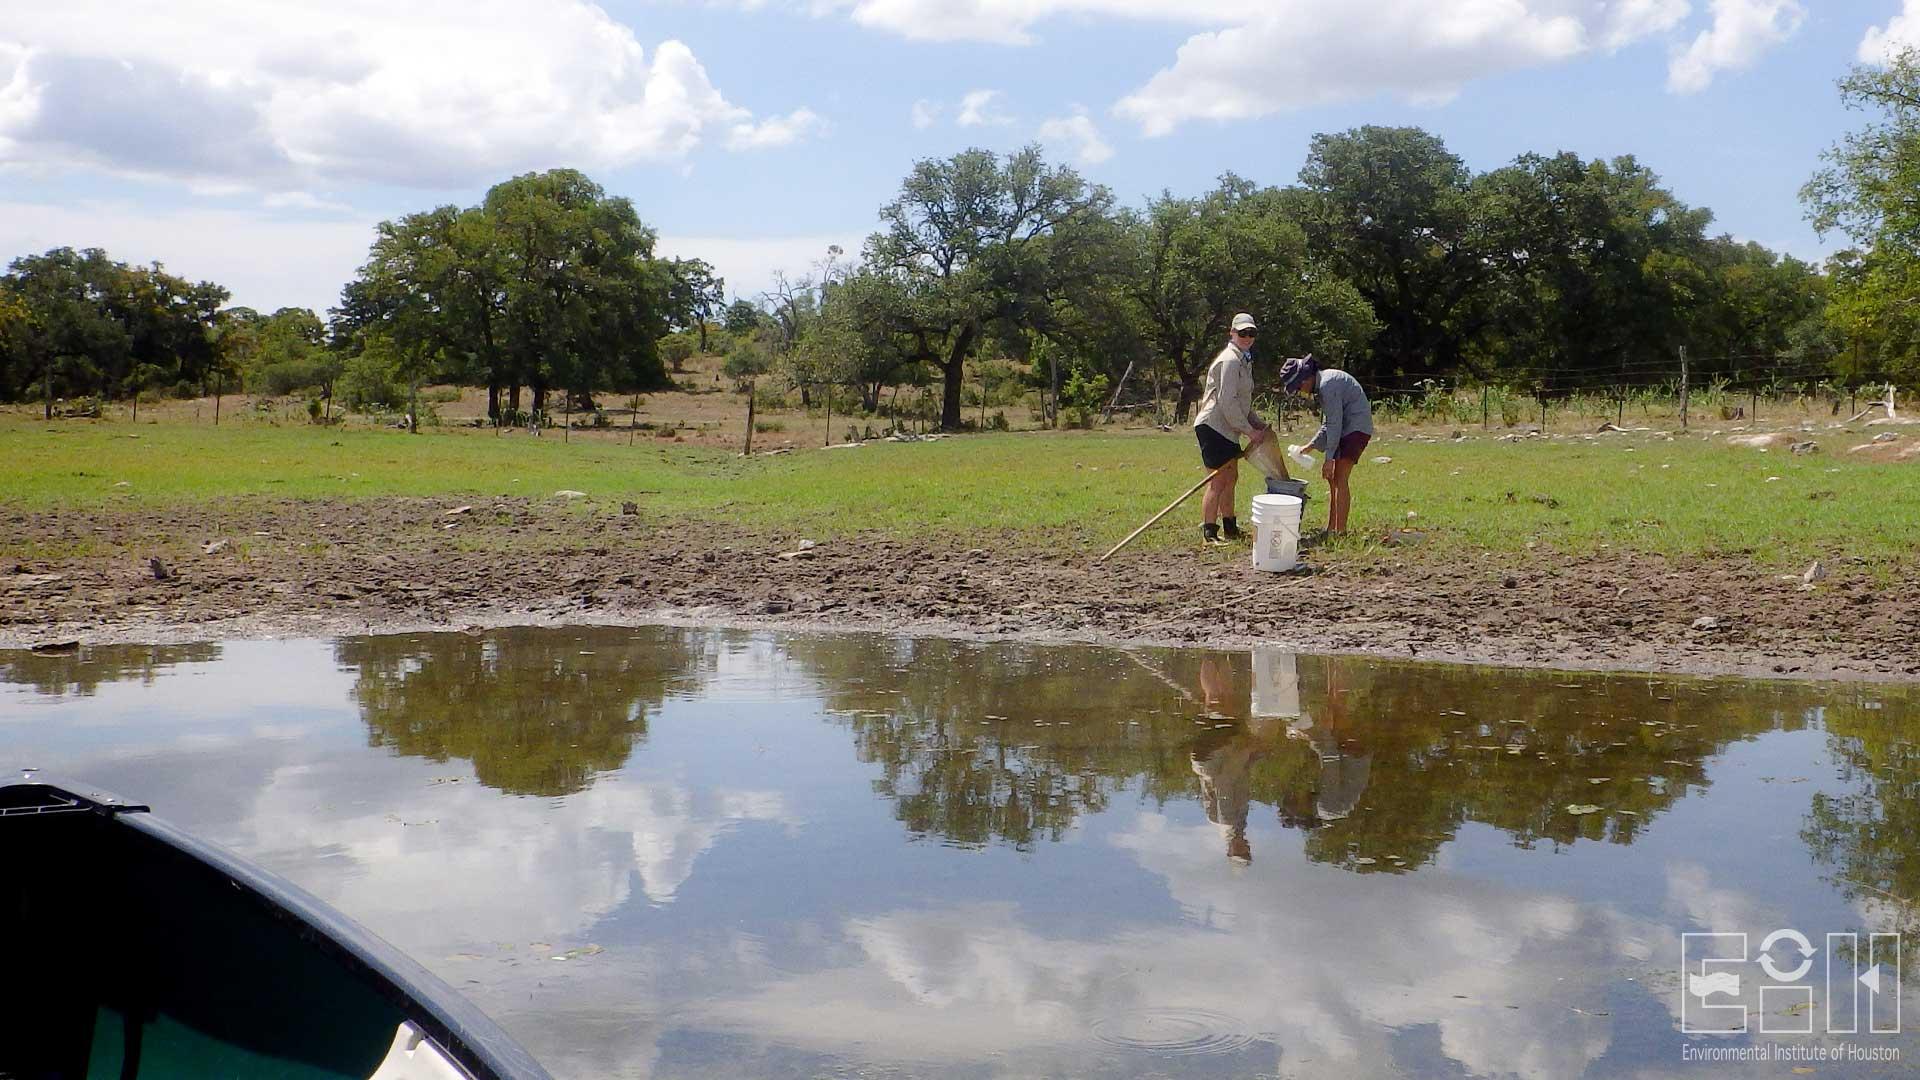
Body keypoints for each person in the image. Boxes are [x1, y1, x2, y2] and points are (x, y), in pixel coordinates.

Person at [1192, 312, 1272, 546]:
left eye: (1252, 333)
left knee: (1231, 477)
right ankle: (1209, 532)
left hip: (1228, 428)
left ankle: (1230, 527)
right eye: (1243, 333)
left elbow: (1241, 402)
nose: (1247, 337)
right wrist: (1249, 430)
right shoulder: (1230, 360)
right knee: (1217, 481)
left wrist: (1257, 424)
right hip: (1214, 426)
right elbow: (1227, 401)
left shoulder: (1244, 360)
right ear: (1232, 333)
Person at [1279, 355, 1372, 538]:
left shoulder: (1328, 385)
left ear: (1306, 378)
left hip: (1355, 429)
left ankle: (1340, 531)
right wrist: (1311, 446)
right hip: (1345, 428)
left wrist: (1329, 459)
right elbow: (1328, 423)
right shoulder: (1323, 386)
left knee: (1340, 477)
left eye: (1298, 386)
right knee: (1333, 480)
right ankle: (1331, 528)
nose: (1300, 390)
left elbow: (1334, 424)